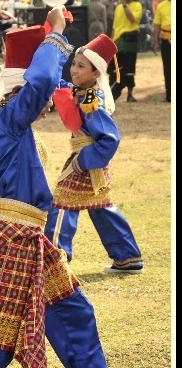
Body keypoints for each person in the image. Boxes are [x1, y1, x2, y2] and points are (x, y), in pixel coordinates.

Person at [0, 8, 107, 367]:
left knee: (75, 311)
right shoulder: (9, 120)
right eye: (42, 95)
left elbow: (41, 83)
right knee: (0, 343)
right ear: (20, 91)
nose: (49, 101)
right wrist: (55, 32)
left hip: (27, 239)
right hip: (12, 241)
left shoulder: (14, 126)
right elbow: (40, 81)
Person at [45, 33, 143, 273]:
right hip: (87, 160)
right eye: (74, 65)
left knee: (61, 204)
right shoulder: (81, 91)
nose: (74, 71)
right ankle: (128, 258)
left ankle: (55, 261)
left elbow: (110, 138)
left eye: (81, 66)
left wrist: (83, 161)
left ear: (96, 73)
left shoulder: (92, 100)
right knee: (100, 206)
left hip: (86, 161)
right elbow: (63, 87)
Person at [108, 0, 143, 103]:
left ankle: (130, 94)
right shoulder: (118, 8)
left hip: (129, 40)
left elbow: (132, 18)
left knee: (129, 68)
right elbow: (115, 27)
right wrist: (111, 42)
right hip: (118, 41)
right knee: (116, 68)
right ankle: (113, 92)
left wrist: (124, 4)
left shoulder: (137, 5)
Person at [153, 0, 172, 102]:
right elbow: (157, 25)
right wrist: (155, 41)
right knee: (168, 67)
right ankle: (169, 94)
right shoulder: (161, 6)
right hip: (167, 40)